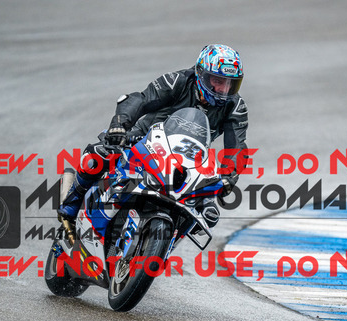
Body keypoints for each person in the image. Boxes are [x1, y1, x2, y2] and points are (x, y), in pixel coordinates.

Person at [58, 44, 249, 228]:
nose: (223, 90)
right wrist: (119, 125)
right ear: (201, 73)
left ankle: (165, 241)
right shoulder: (178, 81)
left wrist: (229, 177)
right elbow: (140, 100)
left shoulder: (235, 106)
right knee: (96, 157)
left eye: (230, 84)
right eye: (217, 81)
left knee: (209, 213)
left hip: (188, 160)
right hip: (142, 141)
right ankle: (71, 205)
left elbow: (237, 146)